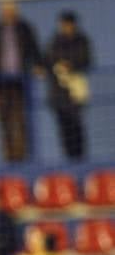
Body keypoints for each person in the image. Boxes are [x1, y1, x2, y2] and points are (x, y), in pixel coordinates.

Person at [0, 1, 44, 162]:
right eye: (5, 11)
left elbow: (35, 50)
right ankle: (9, 156)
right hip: (0, 83)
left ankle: (22, 156)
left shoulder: (25, 29)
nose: (8, 14)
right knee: (3, 120)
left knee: (20, 119)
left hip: (21, 82)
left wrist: (38, 66)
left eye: (11, 11)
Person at [45, 11, 92, 160]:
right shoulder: (54, 42)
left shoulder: (82, 40)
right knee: (64, 128)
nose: (66, 27)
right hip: (58, 93)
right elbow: (48, 61)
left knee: (77, 126)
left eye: (68, 24)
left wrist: (70, 65)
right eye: (63, 25)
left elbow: (86, 59)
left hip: (75, 92)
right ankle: (69, 159)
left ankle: (80, 157)